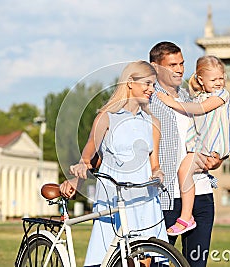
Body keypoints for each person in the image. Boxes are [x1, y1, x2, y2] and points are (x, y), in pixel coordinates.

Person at [59, 60, 168, 267]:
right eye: (147, 83)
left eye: (153, 85)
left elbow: (154, 164)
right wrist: (82, 166)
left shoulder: (153, 122)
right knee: (109, 257)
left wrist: (158, 173)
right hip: (113, 195)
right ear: (129, 82)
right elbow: (89, 151)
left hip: (143, 196)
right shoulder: (106, 117)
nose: (151, 90)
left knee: (145, 258)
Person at [148, 41, 224, 266]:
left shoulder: (194, 98)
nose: (180, 69)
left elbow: (213, 135)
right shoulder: (149, 101)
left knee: (196, 264)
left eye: (181, 63)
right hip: (167, 197)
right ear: (155, 67)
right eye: (172, 65)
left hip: (202, 195)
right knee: (157, 263)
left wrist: (217, 159)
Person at [156, 55, 230, 236]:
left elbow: (200, 110)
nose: (218, 82)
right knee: (186, 172)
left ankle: (185, 217)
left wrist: (171, 102)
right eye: (213, 79)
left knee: (184, 170)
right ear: (200, 79)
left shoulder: (222, 95)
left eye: (221, 78)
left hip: (210, 148)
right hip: (200, 149)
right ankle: (186, 216)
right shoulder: (197, 97)